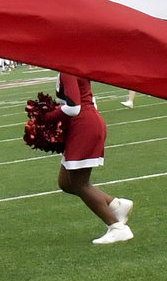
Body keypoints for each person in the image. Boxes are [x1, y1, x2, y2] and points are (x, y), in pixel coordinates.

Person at [55, 72, 133, 244]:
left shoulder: (67, 67)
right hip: (83, 125)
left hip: (84, 126)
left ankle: (117, 228)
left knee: (79, 183)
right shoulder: (69, 66)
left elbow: (73, 108)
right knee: (66, 182)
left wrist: (49, 116)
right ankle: (117, 206)